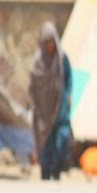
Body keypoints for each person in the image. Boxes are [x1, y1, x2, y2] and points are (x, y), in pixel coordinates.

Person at [28, 21, 73, 181]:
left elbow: (68, 77)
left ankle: (57, 169)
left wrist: (68, 94)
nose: (50, 46)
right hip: (43, 108)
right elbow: (32, 86)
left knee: (61, 137)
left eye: (52, 42)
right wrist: (34, 104)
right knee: (45, 141)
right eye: (46, 42)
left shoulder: (61, 59)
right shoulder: (38, 62)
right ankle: (45, 171)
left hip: (59, 105)